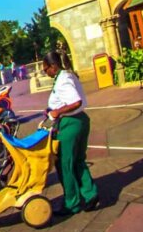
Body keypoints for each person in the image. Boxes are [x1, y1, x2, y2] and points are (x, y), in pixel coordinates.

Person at [42, 51, 100, 216]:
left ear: (53, 66)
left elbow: (76, 102)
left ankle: (72, 203)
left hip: (70, 124)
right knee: (78, 161)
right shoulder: (68, 75)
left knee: (65, 165)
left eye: (45, 69)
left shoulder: (63, 80)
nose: (45, 73)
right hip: (80, 120)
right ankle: (90, 194)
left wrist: (57, 112)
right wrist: (51, 110)